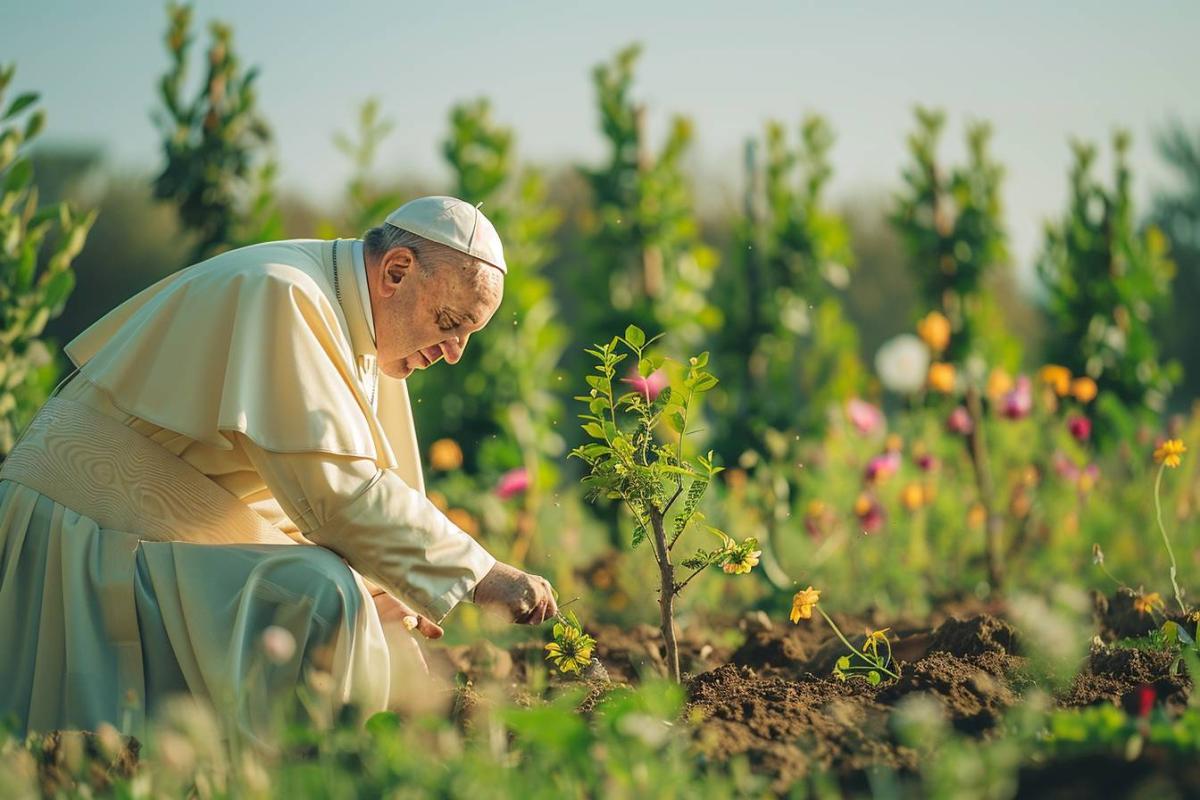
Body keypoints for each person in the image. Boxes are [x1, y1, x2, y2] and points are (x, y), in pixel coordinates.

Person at [0, 195, 557, 738]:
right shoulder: (285, 293)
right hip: (82, 535)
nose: (453, 351)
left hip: (157, 529)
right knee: (322, 594)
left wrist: (387, 592)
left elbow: (277, 490)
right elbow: (340, 496)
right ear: (398, 270)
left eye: (467, 335)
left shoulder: (358, 326)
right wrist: (483, 576)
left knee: (381, 628)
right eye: (449, 321)